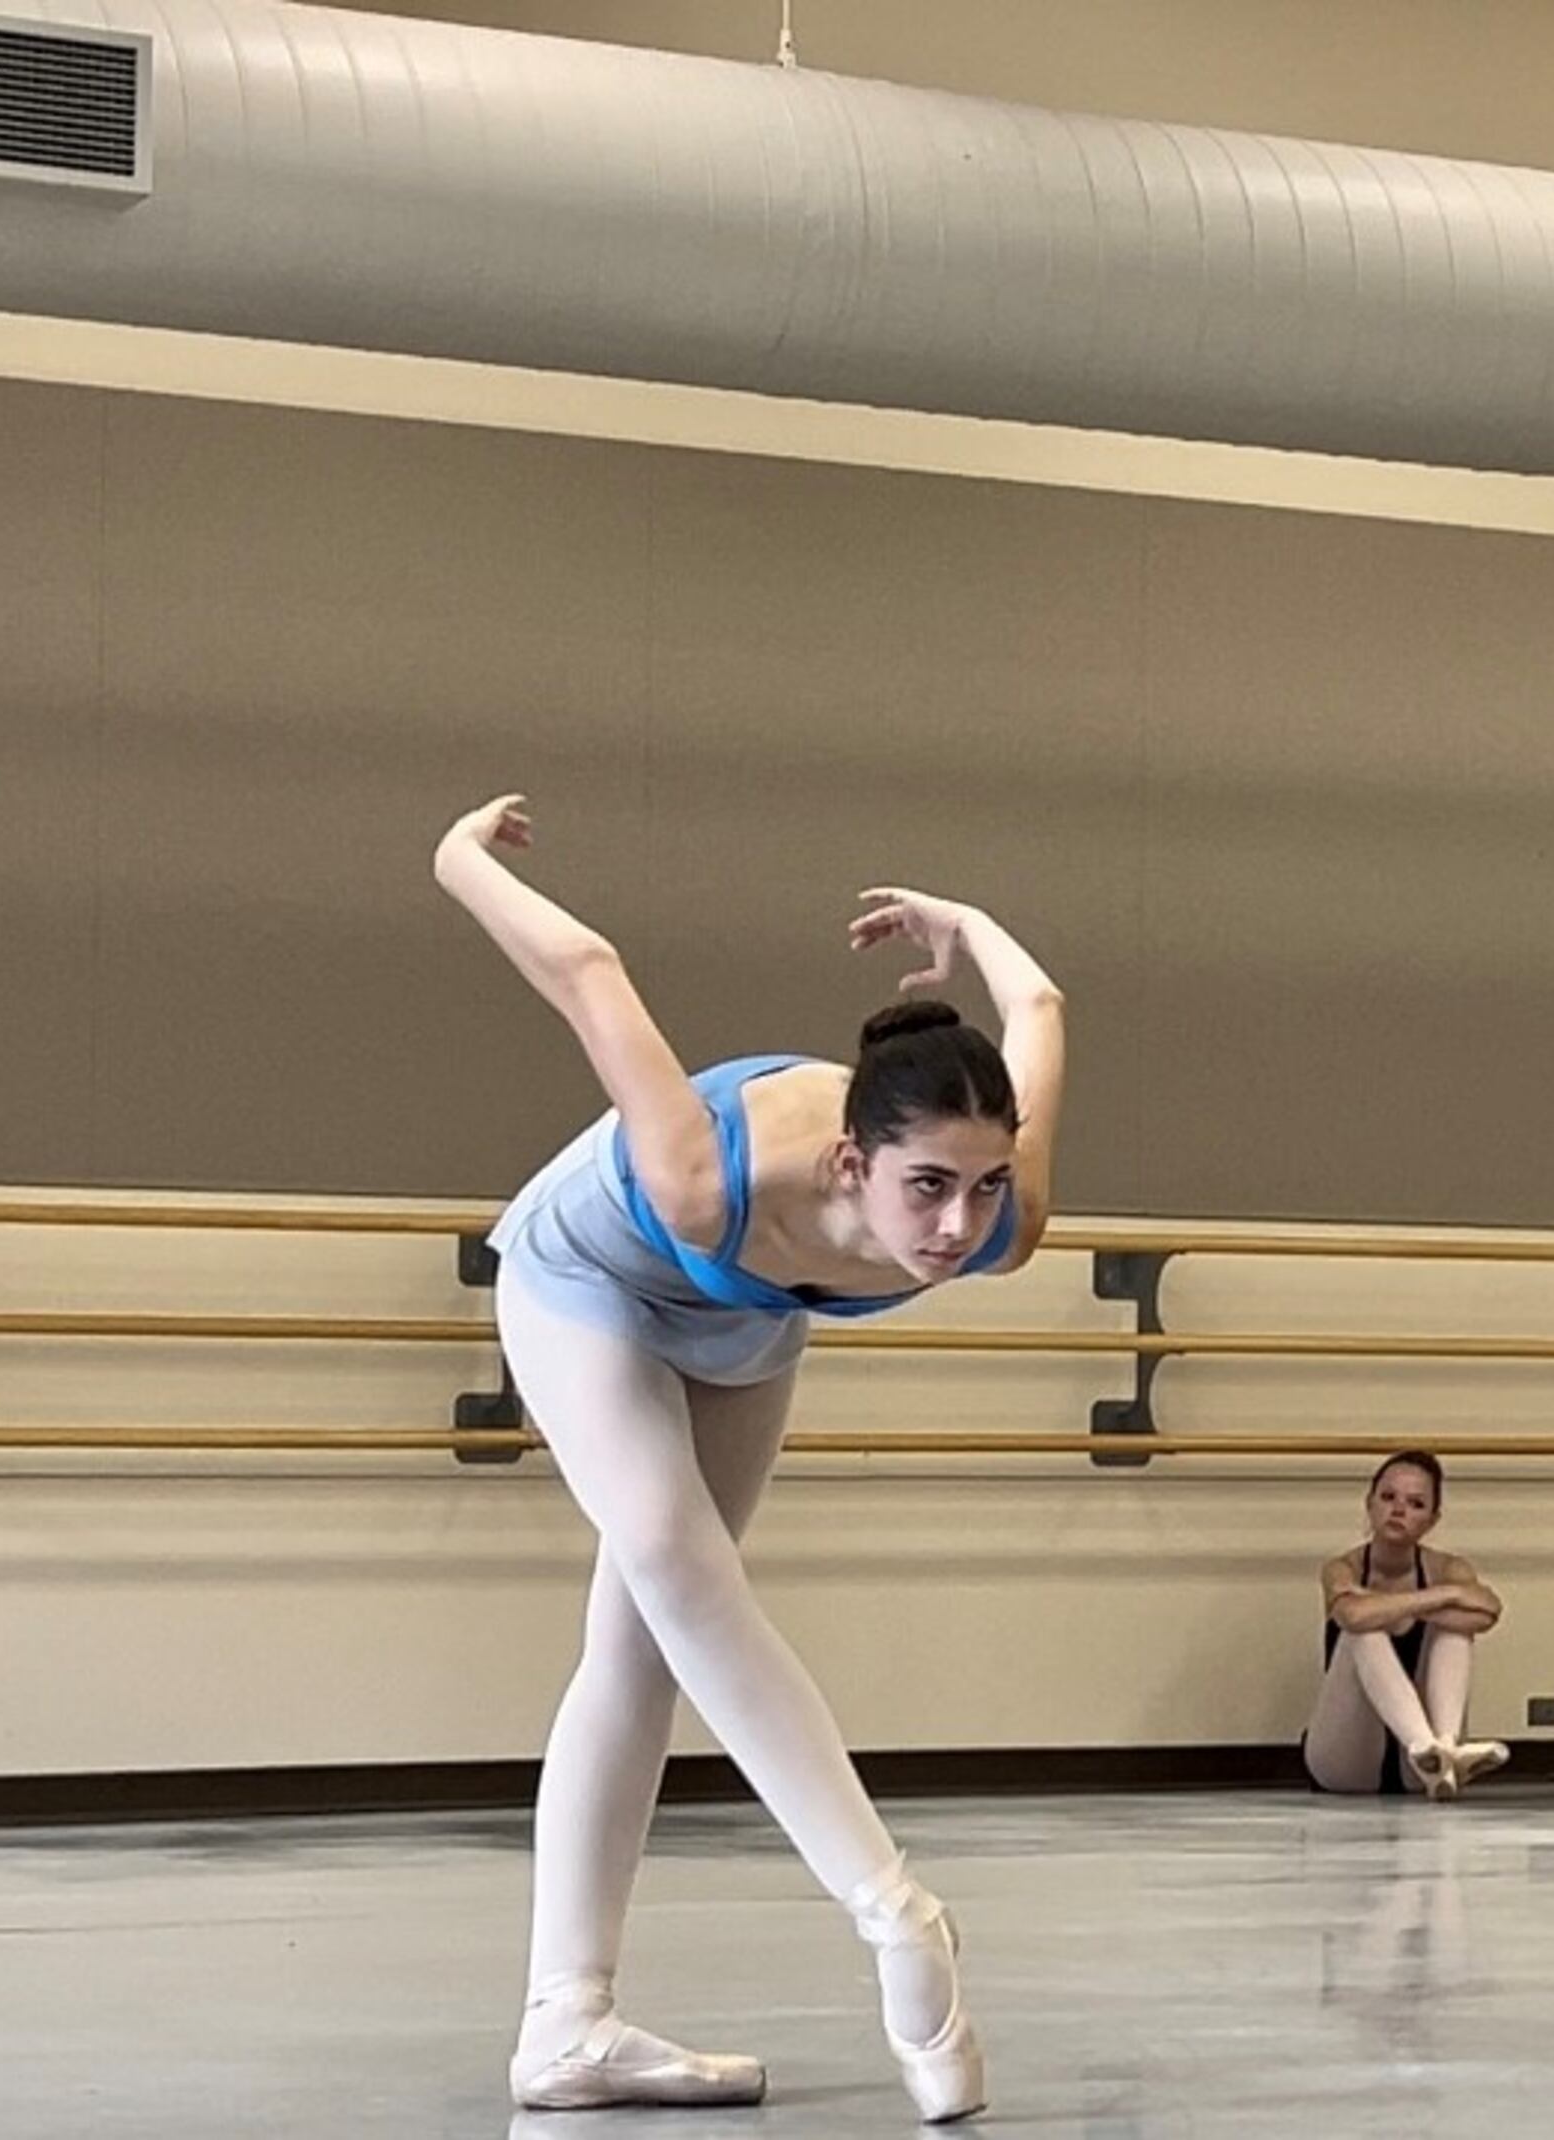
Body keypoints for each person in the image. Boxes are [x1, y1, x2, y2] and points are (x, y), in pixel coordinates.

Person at [443, 795, 1061, 2122]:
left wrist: (968, 925)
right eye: (929, 1190)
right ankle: (894, 1911)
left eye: (986, 1185)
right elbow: (586, 970)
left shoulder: (1005, 1222)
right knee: (675, 1564)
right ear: (852, 1158)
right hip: (585, 1279)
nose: (961, 1227)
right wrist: (454, 859)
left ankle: (568, 2020)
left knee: (643, 1647)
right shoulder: (704, 1178)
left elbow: (1045, 1007)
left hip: (745, 1331)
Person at [1305, 1450, 1511, 1798]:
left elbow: (1488, 1610)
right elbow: (1354, 1617)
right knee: (1365, 1630)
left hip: (1414, 1774)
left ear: (1432, 1519)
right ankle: (1426, 1747)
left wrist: (1383, 1603)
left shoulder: (1448, 1568)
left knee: (1455, 1630)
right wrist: (1442, 1597)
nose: (1398, 1510)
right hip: (1346, 1762)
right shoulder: (1342, 1567)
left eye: (1415, 1504)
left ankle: (1443, 1750)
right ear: (1369, 1505)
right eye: (1388, 1498)